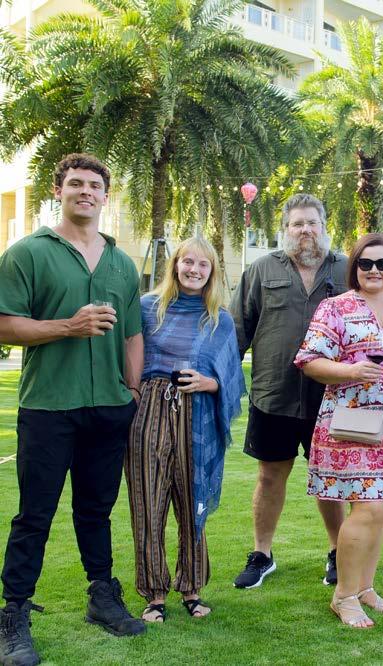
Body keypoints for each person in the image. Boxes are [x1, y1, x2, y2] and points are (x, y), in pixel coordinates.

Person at [0, 154, 145, 666]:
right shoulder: (27, 253)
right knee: (34, 514)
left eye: (95, 185)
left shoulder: (122, 263)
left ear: (106, 196)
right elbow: (5, 324)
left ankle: (102, 596)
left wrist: (131, 391)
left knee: (96, 511)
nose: (86, 191)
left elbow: (132, 334)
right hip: (48, 407)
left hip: (108, 408)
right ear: (58, 191)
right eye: (76, 183)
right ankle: (13, 614)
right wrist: (68, 326)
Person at [295, 233, 383, 629]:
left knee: (379, 509)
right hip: (351, 424)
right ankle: (344, 595)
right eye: (365, 263)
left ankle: (365, 587)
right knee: (368, 507)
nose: (374, 270)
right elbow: (309, 361)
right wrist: (351, 370)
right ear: (355, 268)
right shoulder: (335, 308)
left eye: (382, 264)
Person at [230, 194, 347, 589]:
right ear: (285, 230)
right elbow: (238, 331)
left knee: (329, 479)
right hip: (273, 394)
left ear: (324, 227)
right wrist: (221, 383)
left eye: (312, 222)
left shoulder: (346, 270)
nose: (305, 230)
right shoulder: (261, 270)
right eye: (297, 224)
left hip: (331, 398)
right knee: (269, 477)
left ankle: (338, 553)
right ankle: (262, 554)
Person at [127, 237, 245, 623]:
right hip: (149, 411)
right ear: (175, 265)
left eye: (202, 264)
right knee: (148, 502)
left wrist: (209, 383)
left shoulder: (219, 320)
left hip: (197, 414)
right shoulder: (147, 308)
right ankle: (154, 594)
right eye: (187, 262)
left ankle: (192, 589)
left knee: (192, 501)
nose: (194, 270)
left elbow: (232, 377)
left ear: (212, 272)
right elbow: (127, 356)